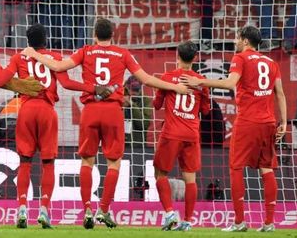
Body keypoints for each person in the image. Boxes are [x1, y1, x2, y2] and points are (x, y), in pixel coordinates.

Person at [25, 18, 189, 228]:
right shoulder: (123, 54)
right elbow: (147, 79)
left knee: (87, 162)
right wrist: (174, 87)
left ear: (94, 34)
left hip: (90, 111)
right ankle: (103, 209)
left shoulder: (85, 51)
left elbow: (57, 65)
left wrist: (34, 53)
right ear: (113, 35)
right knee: (114, 162)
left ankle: (87, 210)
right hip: (113, 112)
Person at [180, 26, 286, 232]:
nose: (236, 41)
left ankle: (239, 222)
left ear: (245, 41)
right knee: (267, 168)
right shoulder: (271, 62)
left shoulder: (240, 58)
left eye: (238, 37)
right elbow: (280, 93)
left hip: (248, 121)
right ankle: (269, 223)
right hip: (268, 122)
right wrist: (283, 122)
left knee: (236, 168)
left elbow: (230, 83)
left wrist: (199, 81)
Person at [12, 24, 90, 229]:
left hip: (26, 111)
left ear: (28, 41)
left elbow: (4, 78)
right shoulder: (54, 57)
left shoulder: (19, 57)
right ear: (45, 39)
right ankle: (44, 210)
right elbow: (67, 83)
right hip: (47, 111)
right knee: (48, 163)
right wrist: (91, 88)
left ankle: (22, 208)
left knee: (25, 162)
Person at [153, 42, 211, 232]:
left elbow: (156, 104)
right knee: (190, 178)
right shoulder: (201, 81)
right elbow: (206, 111)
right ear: (195, 58)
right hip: (192, 134)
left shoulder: (167, 77)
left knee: (160, 173)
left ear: (177, 56)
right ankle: (187, 221)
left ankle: (170, 214)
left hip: (171, 132)